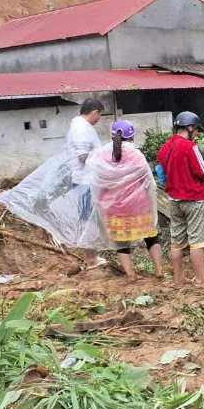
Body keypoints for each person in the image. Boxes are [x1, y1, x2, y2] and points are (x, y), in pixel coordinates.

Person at [87, 120, 163, 280]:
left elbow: (96, 182)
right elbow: (148, 181)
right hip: (138, 206)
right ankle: (159, 270)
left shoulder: (102, 156)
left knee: (121, 243)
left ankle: (131, 274)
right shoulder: (136, 155)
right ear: (132, 137)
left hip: (113, 207)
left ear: (112, 136)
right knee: (151, 235)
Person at [158, 111, 204, 287]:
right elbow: (201, 172)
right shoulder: (190, 147)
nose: (196, 133)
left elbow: (167, 170)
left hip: (174, 199)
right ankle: (201, 280)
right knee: (197, 241)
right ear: (190, 127)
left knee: (177, 242)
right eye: (196, 130)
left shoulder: (165, 148)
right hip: (194, 199)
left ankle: (178, 279)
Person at [66, 99, 105, 268]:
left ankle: (91, 257)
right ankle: (90, 259)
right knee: (87, 220)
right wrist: (105, 160)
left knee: (89, 218)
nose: (99, 118)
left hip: (86, 180)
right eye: (100, 115)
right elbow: (83, 155)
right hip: (84, 181)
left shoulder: (81, 126)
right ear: (95, 112)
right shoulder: (81, 128)